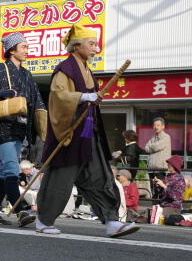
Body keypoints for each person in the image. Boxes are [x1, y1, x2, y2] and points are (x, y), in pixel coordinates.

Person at [35, 24, 139, 237]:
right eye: (91, 44)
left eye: (95, 44)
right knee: (60, 179)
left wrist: (92, 97)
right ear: (76, 46)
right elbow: (58, 96)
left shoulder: (85, 69)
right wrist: (83, 96)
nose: (95, 48)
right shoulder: (65, 69)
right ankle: (43, 220)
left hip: (88, 133)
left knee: (100, 177)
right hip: (70, 133)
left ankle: (111, 221)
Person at [0, 32, 45, 227]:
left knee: (5, 170)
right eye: (24, 47)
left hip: (19, 126)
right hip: (2, 126)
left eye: (27, 47)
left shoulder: (26, 74)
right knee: (12, 166)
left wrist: (42, 119)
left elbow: (37, 99)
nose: (27, 51)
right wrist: (0, 93)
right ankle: (21, 209)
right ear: (12, 49)